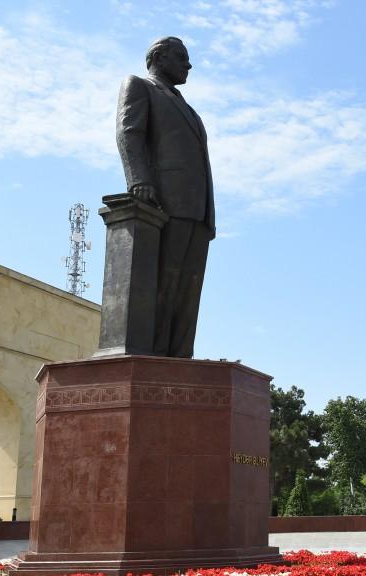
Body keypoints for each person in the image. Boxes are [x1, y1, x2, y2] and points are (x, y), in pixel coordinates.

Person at [116, 36, 215, 358]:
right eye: (181, 57)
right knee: (163, 285)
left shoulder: (187, 107)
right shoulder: (139, 86)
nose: (189, 64)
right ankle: (154, 360)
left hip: (197, 210)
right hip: (165, 204)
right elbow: (129, 132)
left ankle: (180, 358)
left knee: (188, 293)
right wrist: (139, 180)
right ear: (159, 58)